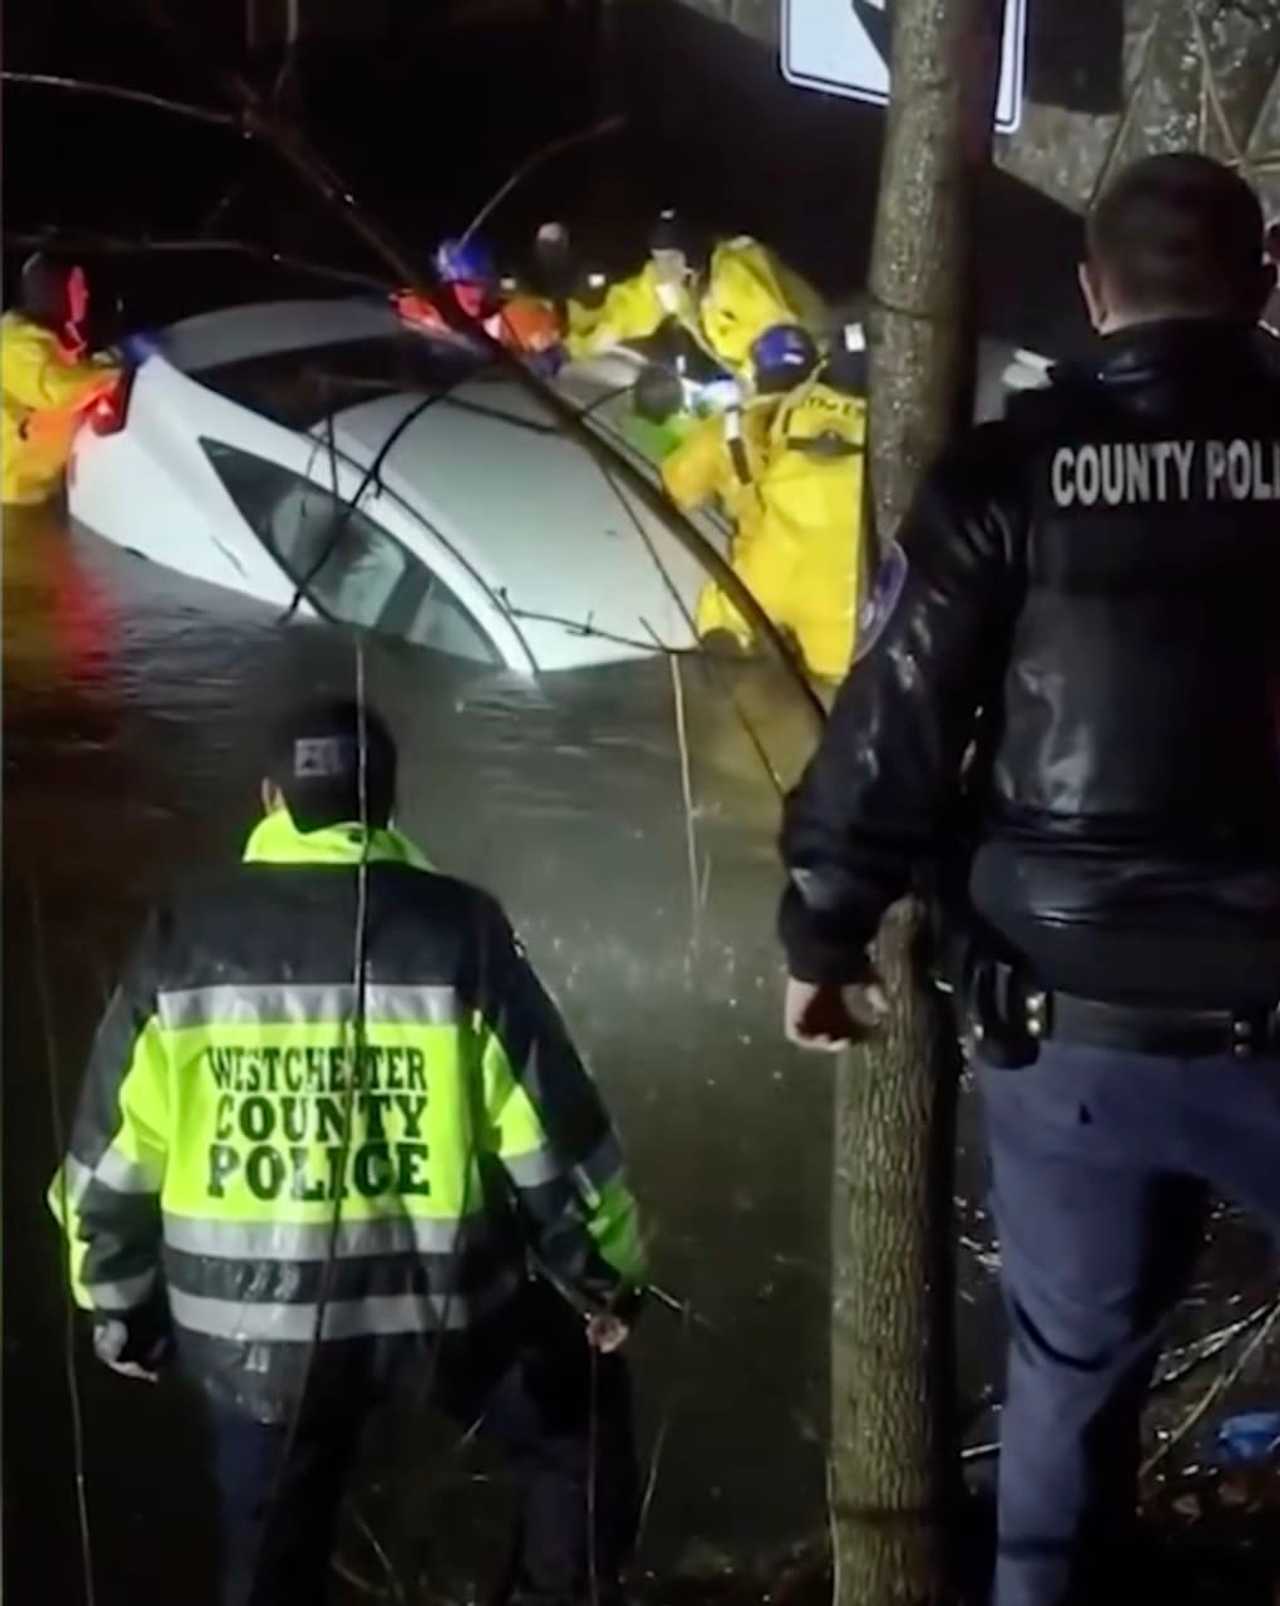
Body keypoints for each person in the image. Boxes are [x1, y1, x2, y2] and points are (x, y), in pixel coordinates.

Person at [778, 151, 1280, 1605]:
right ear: (1262, 284)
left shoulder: (1009, 471)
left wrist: (825, 920)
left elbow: (896, 718)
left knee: (1065, 1385)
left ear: (1089, 293)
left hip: (1066, 1029)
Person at [51, 698, 645, 1606]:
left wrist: (120, 1305)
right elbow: (552, 1138)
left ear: (267, 799)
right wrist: (602, 1277)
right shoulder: (460, 930)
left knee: (268, 1566)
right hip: (439, 1308)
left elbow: (110, 1162)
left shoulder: (185, 936)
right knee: (582, 1436)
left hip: (253, 1336)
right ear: (388, 808)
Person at [664, 323, 867, 680]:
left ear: (758, 371)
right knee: (837, 677)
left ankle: (727, 679)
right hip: (843, 583)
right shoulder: (882, 423)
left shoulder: (738, 422)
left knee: (722, 610)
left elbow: (679, 483)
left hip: (769, 562)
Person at [563, 209, 828, 386]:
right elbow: (626, 310)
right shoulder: (673, 280)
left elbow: (780, 337)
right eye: (658, 258)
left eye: (670, 258)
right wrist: (574, 344)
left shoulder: (733, 273)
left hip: (811, 369)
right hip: (755, 381)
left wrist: (770, 388)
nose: (663, 267)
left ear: (691, 255)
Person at [2, 253, 121, 505]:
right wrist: (109, 371)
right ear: (55, 294)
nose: (85, 296)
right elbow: (56, 391)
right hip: (11, 493)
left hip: (42, 486)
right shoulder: (15, 344)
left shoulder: (55, 339)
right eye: (77, 289)